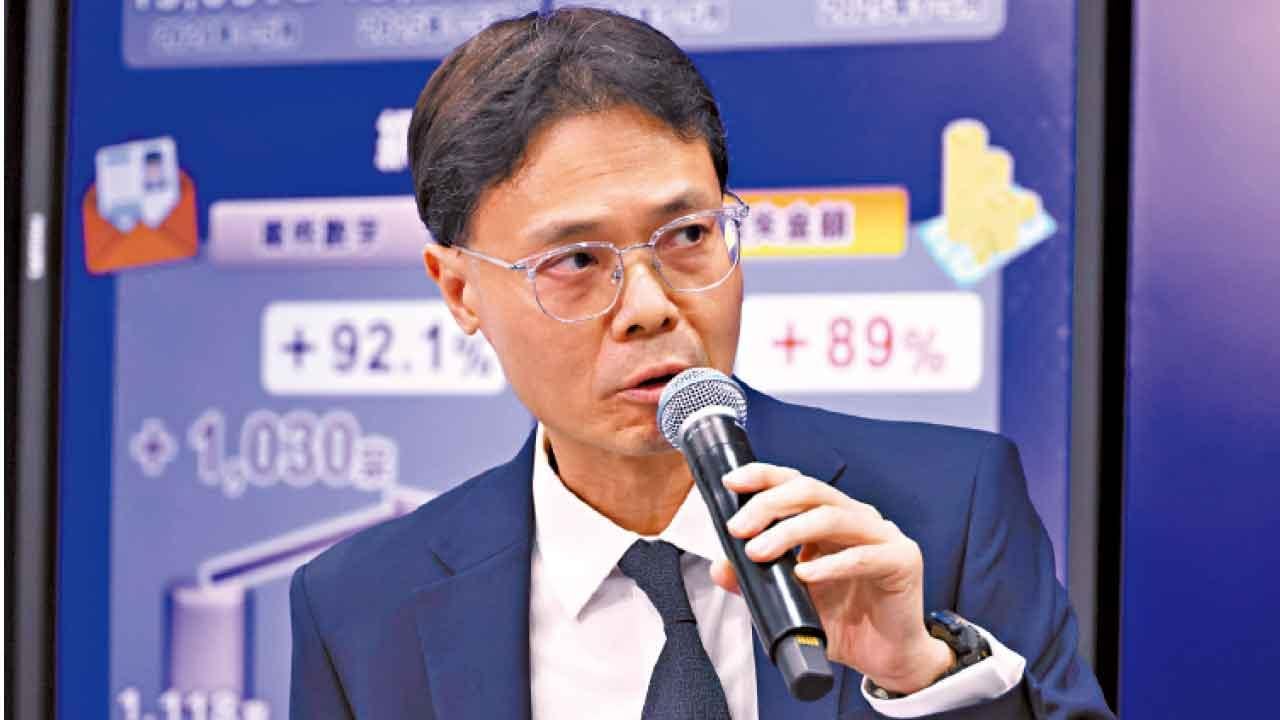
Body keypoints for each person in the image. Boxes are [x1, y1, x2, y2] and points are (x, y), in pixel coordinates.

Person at [289, 8, 1113, 719]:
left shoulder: (949, 510)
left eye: (688, 235)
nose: (649, 305)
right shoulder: (361, 609)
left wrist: (923, 675)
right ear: (460, 291)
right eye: (576, 260)